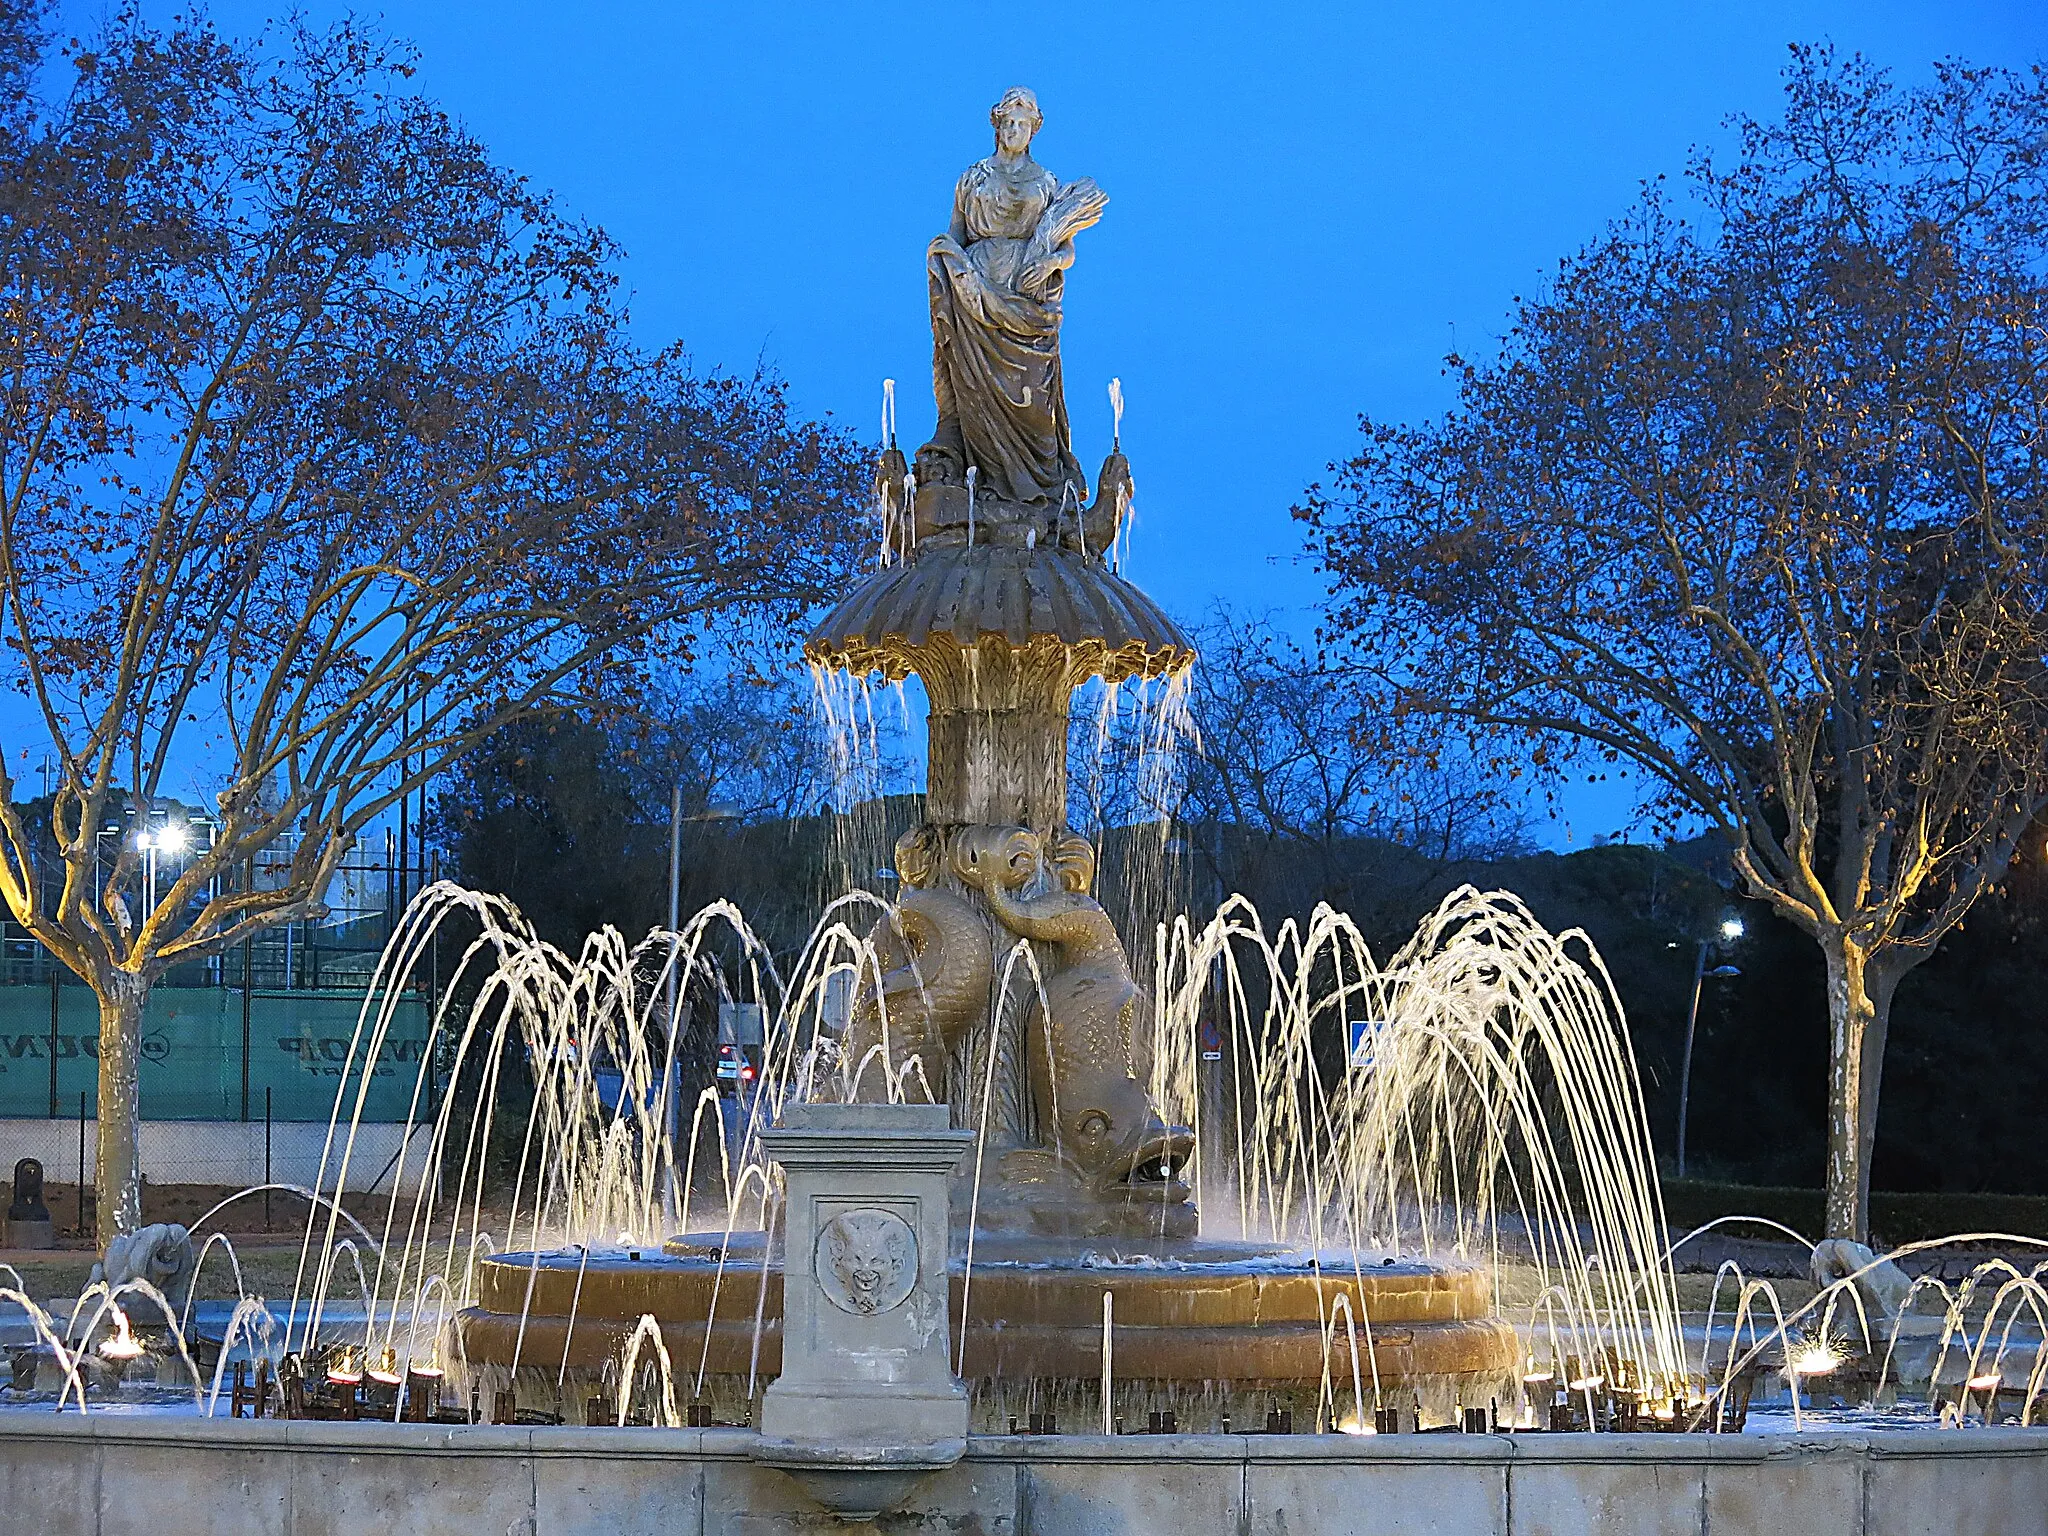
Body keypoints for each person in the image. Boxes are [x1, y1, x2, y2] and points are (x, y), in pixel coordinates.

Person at [918, 87, 1106, 511]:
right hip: (976, 292)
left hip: (1029, 293)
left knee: (1034, 399)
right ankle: (982, 481)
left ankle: (1041, 485)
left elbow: (1068, 247)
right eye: (1008, 122)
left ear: (1034, 129)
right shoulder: (973, 178)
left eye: (1023, 123)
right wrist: (947, 265)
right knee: (974, 391)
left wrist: (1054, 260)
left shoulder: (1047, 182)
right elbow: (956, 233)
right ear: (997, 125)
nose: (1014, 129)